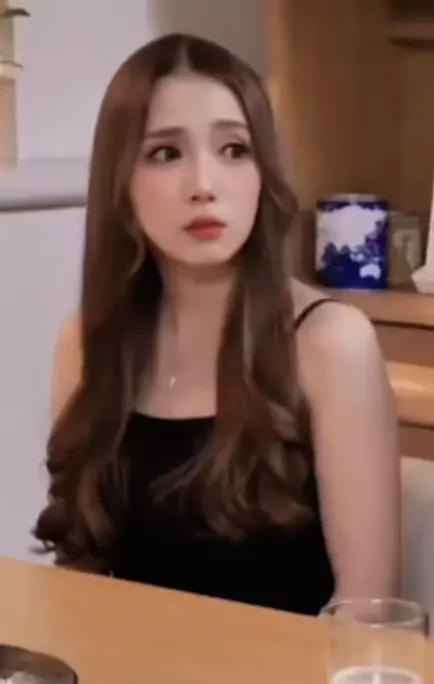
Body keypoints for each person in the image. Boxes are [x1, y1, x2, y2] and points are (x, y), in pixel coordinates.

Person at [32, 33, 401, 616]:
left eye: (234, 149)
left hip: (287, 671)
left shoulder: (331, 343)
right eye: (165, 153)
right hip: (125, 668)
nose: (204, 185)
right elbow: (81, 582)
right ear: (119, 182)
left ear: (263, 172)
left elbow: (368, 610)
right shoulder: (84, 344)